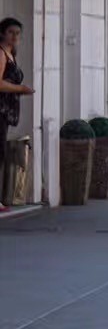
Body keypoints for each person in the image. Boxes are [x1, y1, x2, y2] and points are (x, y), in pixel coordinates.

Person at [0, 18, 34, 213]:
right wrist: (19, 88)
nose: (15, 36)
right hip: (1, 108)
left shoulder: (12, 54)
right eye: (11, 32)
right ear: (3, 33)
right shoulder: (2, 54)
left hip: (6, 110)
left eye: (18, 33)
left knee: (1, 150)